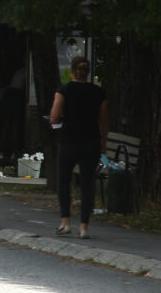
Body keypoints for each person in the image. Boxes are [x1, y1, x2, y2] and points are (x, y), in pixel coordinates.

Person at [50, 56, 109, 239]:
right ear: (87, 72)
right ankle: (84, 226)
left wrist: (56, 120)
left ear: (73, 71)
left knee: (64, 181)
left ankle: (65, 222)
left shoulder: (64, 90)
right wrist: (103, 142)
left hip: (69, 140)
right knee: (87, 183)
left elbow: (54, 116)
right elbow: (104, 120)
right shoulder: (98, 93)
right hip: (91, 142)